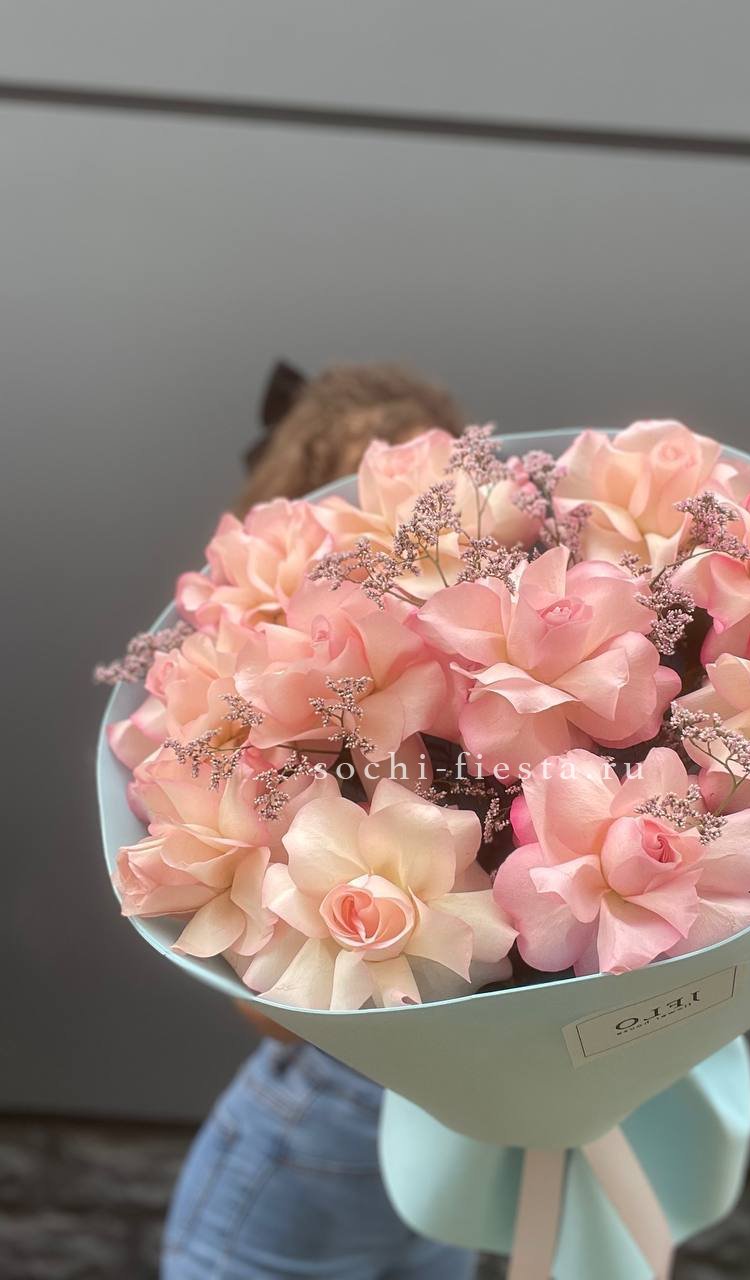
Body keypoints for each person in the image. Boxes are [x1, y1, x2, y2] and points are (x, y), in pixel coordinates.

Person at [161, 362, 477, 1280]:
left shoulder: (451, 665)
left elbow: (272, 1016)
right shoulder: (265, 698)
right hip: (397, 1133)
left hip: (393, 1134)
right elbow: (268, 1012)